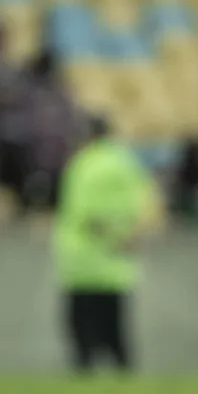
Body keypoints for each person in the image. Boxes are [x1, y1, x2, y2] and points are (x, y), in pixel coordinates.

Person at [53, 115, 156, 374]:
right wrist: (129, 238)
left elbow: (86, 214)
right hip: (116, 269)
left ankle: (85, 391)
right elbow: (148, 204)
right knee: (117, 340)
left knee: (83, 342)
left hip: (82, 266)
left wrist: (107, 236)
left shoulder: (83, 164)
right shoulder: (126, 163)